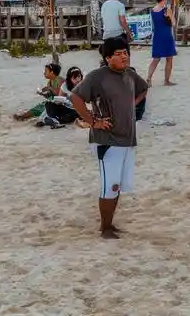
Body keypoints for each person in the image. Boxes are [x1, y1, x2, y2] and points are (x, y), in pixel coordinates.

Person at [69, 36, 151, 239]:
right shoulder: (98, 77)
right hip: (107, 140)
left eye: (126, 53)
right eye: (119, 54)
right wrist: (92, 120)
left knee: (118, 186)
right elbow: (76, 97)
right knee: (110, 185)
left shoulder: (130, 75)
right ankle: (105, 228)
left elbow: (143, 89)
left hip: (128, 138)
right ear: (107, 58)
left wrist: (130, 105)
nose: (124, 57)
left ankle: (110, 224)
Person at [145, 0, 177, 85]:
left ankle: (149, 78)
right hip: (166, 36)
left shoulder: (153, 10)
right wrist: (170, 16)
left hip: (157, 36)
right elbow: (174, 23)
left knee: (156, 59)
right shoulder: (166, 10)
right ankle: (166, 80)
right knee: (169, 59)